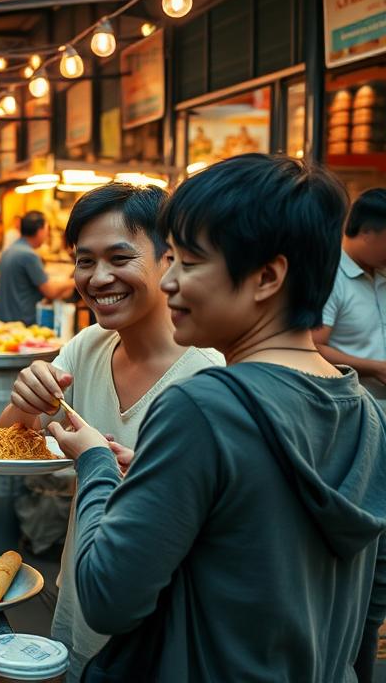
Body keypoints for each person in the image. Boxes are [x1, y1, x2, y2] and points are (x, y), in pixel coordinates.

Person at [49, 155, 386, 683]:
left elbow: (106, 600)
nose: (169, 282)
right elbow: (369, 592)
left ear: (267, 276)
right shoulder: (366, 410)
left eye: (189, 261)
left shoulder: (203, 406)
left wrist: (94, 462)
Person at [0, 184, 223, 681]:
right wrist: (24, 402)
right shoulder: (87, 346)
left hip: (162, 636)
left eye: (120, 258)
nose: (99, 278)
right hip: (80, 609)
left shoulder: (210, 377)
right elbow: (5, 442)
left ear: (170, 260)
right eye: (84, 261)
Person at [313, 188, 386, 409]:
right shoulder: (330, 277)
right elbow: (313, 346)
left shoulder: (381, 271)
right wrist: (375, 368)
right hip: (354, 406)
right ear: (366, 233)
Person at [0, 211, 73, 324]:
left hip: (5, 318)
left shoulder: (9, 250)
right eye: (47, 229)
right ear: (40, 230)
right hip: (21, 322)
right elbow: (50, 291)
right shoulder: (28, 255)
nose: (47, 235)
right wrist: (74, 281)